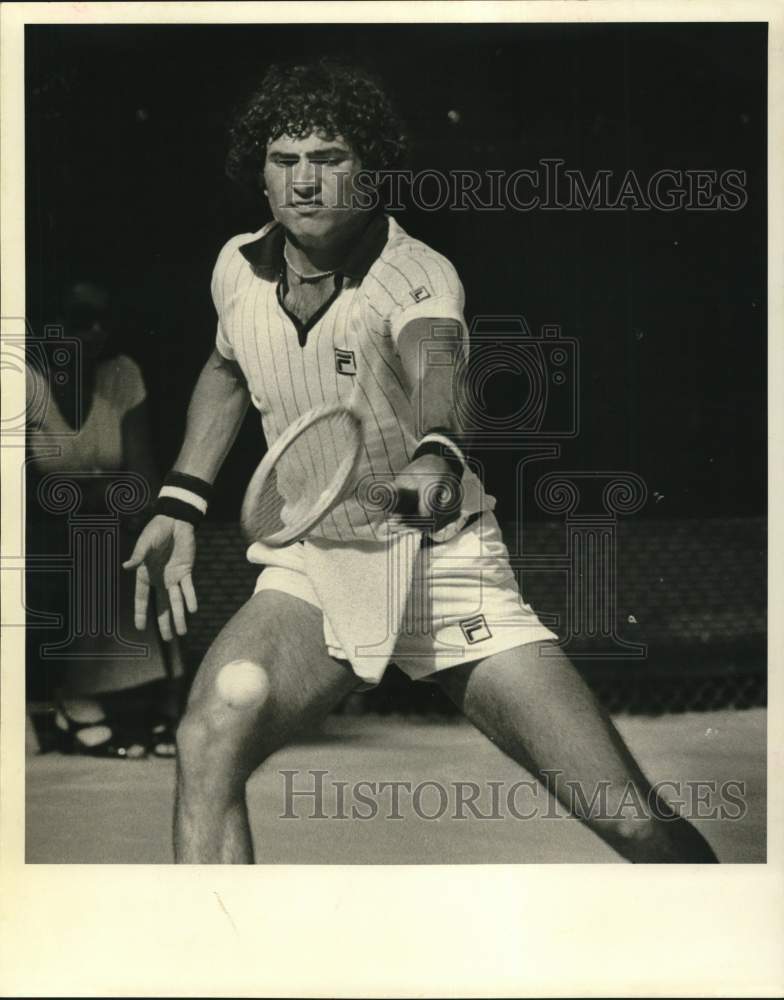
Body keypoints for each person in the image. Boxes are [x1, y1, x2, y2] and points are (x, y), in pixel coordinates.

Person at [125, 59, 718, 862]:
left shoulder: (415, 273)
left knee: (632, 819)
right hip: (315, 568)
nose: (306, 180)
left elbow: (438, 363)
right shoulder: (237, 266)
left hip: (442, 566)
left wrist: (436, 451)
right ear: (260, 175)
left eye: (330, 158)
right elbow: (228, 366)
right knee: (208, 737)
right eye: (285, 159)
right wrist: (181, 499)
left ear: (372, 172)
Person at [26, 280, 182, 757]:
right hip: (42, 533)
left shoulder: (123, 375)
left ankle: (164, 706)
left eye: (103, 321)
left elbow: (142, 481)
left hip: (109, 525)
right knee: (89, 548)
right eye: (80, 320)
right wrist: (96, 493)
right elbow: (29, 491)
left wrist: (88, 494)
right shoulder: (23, 383)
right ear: (50, 326)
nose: (94, 332)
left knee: (157, 546)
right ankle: (76, 700)